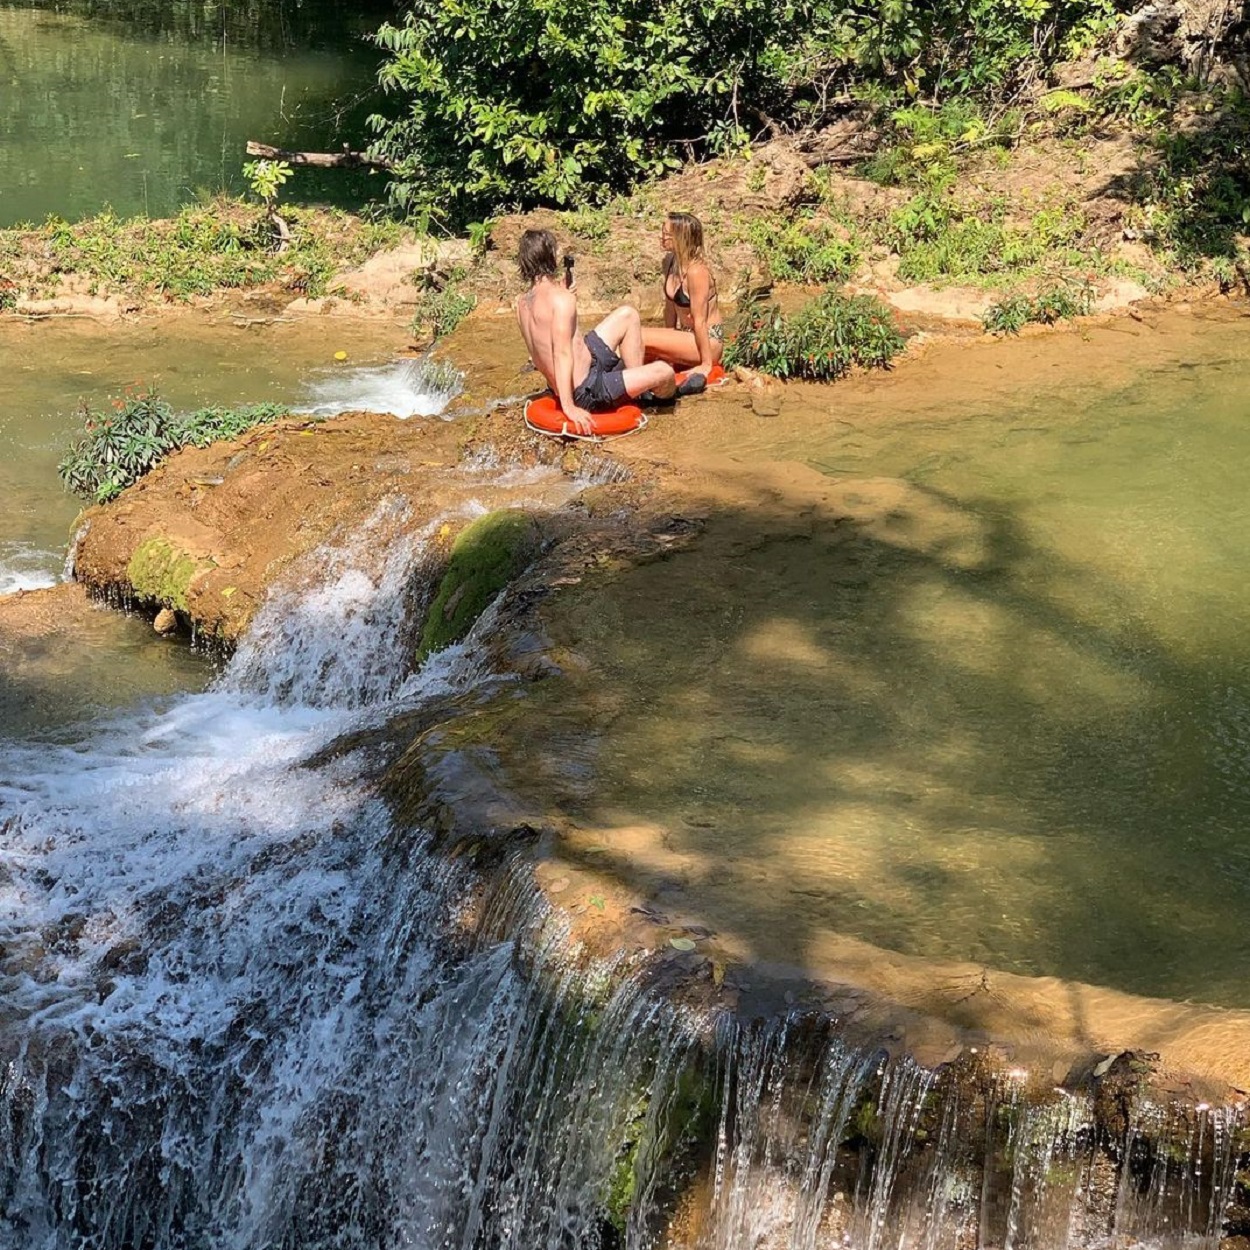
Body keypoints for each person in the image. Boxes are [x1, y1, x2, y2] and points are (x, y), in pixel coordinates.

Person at [515, 229, 675, 435]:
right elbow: (561, 354)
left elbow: (540, 350)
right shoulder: (561, 300)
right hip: (587, 390)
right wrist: (569, 406)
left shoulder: (521, 304)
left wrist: (564, 293)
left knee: (628, 315)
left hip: (587, 365)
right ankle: (656, 394)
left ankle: (636, 389)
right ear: (551, 257)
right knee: (664, 371)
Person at [641, 212, 724, 394]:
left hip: (708, 341)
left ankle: (635, 389)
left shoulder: (697, 272)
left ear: (680, 238)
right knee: (633, 344)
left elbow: (699, 320)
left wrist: (706, 364)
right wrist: (666, 344)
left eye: (666, 234)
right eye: (662, 232)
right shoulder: (671, 262)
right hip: (686, 336)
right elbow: (670, 309)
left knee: (640, 336)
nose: (661, 237)